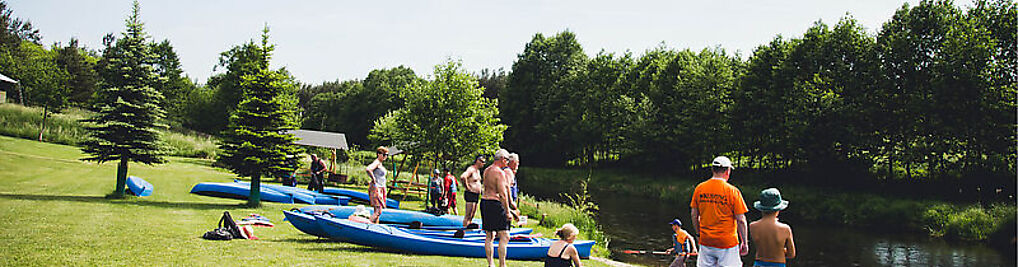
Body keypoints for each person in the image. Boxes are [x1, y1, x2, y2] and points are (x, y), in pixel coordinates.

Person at [690, 156, 749, 267]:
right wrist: (745, 242)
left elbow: (694, 215)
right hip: (727, 242)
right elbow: (741, 220)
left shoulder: (699, 188)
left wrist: (698, 234)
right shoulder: (733, 191)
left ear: (712, 170)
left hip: (706, 240)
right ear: (728, 171)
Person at [749, 188, 795, 267]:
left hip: (758, 264)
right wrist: (780, 249)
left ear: (761, 208)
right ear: (778, 209)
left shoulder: (752, 226)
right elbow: (791, 254)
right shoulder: (785, 229)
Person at [483, 149, 513, 267]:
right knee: (504, 235)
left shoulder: (486, 170)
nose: (507, 162)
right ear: (502, 159)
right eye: (507, 160)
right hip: (495, 204)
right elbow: (502, 194)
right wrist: (508, 211)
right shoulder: (499, 173)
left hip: (485, 202)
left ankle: (491, 264)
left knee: (489, 235)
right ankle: (502, 264)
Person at [365, 146, 389, 224]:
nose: (386, 157)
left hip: (381, 187)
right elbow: (368, 169)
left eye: (387, 155)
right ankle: (367, 224)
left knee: (379, 211)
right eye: (384, 154)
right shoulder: (377, 162)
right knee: (378, 211)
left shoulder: (380, 163)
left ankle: (375, 226)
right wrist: (373, 179)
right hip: (377, 188)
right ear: (379, 154)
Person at [460, 155, 485, 227]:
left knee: (472, 214)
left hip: (476, 195)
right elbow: (463, 177)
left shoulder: (478, 171)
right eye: (482, 162)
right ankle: (464, 228)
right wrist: (467, 187)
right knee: (468, 214)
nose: (483, 164)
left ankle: (468, 227)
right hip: (470, 193)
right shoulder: (471, 169)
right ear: (477, 161)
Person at [503, 153, 521, 221]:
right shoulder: (507, 171)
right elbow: (506, 187)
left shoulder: (511, 172)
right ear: (513, 162)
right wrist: (511, 203)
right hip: (506, 202)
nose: (518, 164)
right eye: (517, 162)